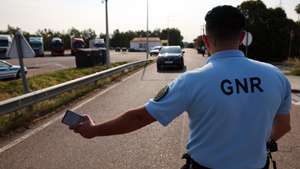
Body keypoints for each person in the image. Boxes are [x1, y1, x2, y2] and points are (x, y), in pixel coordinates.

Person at [70, 5, 291, 169]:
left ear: (206, 40)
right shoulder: (275, 76)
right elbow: (283, 126)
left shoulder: (192, 81)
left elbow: (139, 118)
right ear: (242, 37)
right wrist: (256, 144)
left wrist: (93, 130)